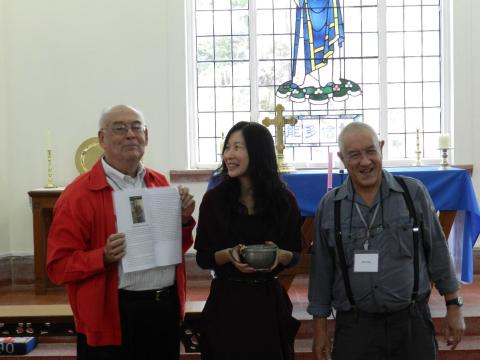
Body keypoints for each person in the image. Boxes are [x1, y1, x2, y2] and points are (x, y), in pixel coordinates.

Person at [47, 105, 196, 360]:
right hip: (113, 314)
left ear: (146, 136)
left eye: (136, 127)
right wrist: (102, 256)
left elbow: (173, 248)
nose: (130, 134)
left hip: (163, 310)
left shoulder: (159, 184)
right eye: (119, 128)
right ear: (102, 139)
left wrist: (182, 221)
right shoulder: (78, 196)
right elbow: (58, 267)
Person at [308, 122, 466, 360]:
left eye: (371, 151)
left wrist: (454, 306)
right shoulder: (331, 206)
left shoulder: (413, 194)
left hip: (411, 324)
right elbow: (321, 272)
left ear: (381, 148)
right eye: (354, 155)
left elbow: (438, 253)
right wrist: (319, 330)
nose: (365, 161)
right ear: (342, 158)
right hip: (355, 328)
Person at [195, 121, 303, 360]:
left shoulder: (283, 200)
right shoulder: (215, 200)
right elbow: (203, 257)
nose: (229, 155)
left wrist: (280, 255)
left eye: (237, 147)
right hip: (227, 303)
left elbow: (295, 254)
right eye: (227, 148)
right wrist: (228, 254)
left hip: (267, 304)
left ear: (258, 151)